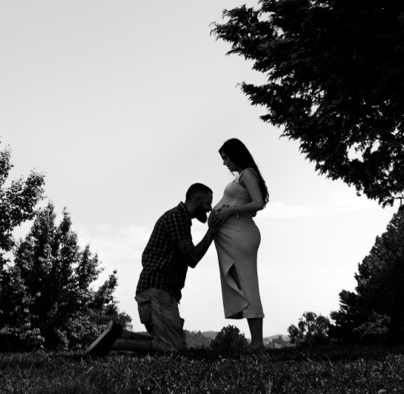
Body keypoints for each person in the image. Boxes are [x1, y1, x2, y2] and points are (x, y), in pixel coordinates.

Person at [84, 183, 215, 355]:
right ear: (198, 200)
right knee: (171, 349)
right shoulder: (176, 218)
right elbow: (192, 257)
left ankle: (118, 334)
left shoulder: (179, 219)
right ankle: (116, 342)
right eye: (208, 203)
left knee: (177, 347)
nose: (210, 209)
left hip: (156, 292)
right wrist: (212, 231)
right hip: (158, 292)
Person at [209, 138, 268, 350]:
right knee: (243, 285)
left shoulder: (248, 174)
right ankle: (256, 341)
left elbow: (258, 204)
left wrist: (228, 211)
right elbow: (249, 208)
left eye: (225, 158)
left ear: (235, 154)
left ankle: (258, 343)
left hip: (241, 237)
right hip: (235, 236)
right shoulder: (241, 178)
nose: (224, 163)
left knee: (248, 286)